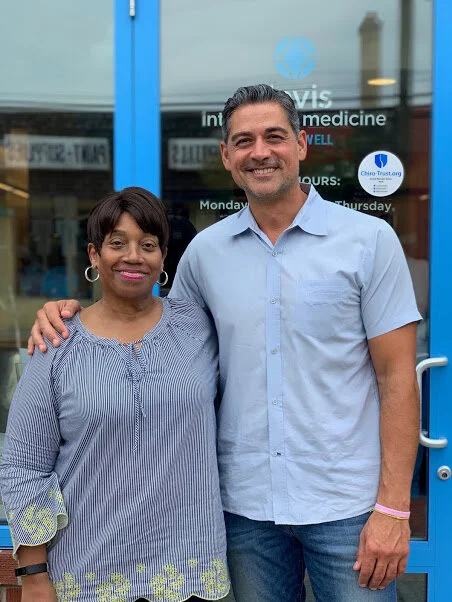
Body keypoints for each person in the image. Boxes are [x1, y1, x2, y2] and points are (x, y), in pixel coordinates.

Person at [28, 85, 421, 602]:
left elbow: (397, 378)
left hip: (346, 506)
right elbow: (152, 330)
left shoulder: (368, 241)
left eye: (274, 136)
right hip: (243, 510)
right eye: (244, 141)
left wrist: (393, 508)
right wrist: (70, 314)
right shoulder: (205, 254)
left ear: (301, 145)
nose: (260, 152)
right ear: (226, 156)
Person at [1, 187, 230, 602]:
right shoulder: (58, 343)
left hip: (189, 573)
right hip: (88, 576)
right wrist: (33, 575)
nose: (133, 257)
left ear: (163, 257)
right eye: (117, 243)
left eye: (148, 245)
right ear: (94, 254)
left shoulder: (200, 327)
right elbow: (23, 466)